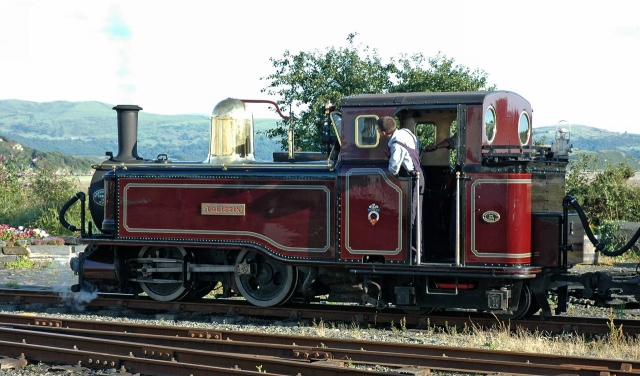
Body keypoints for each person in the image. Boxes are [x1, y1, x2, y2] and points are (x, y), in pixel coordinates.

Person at [377, 116, 424, 261]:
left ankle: (414, 255)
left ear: (384, 132)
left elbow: (393, 168)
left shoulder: (396, 144)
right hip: (417, 174)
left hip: (412, 179)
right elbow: (419, 144)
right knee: (414, 215)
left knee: (412, 217)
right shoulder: (405, 132)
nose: (378, 132)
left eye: (378, 130)